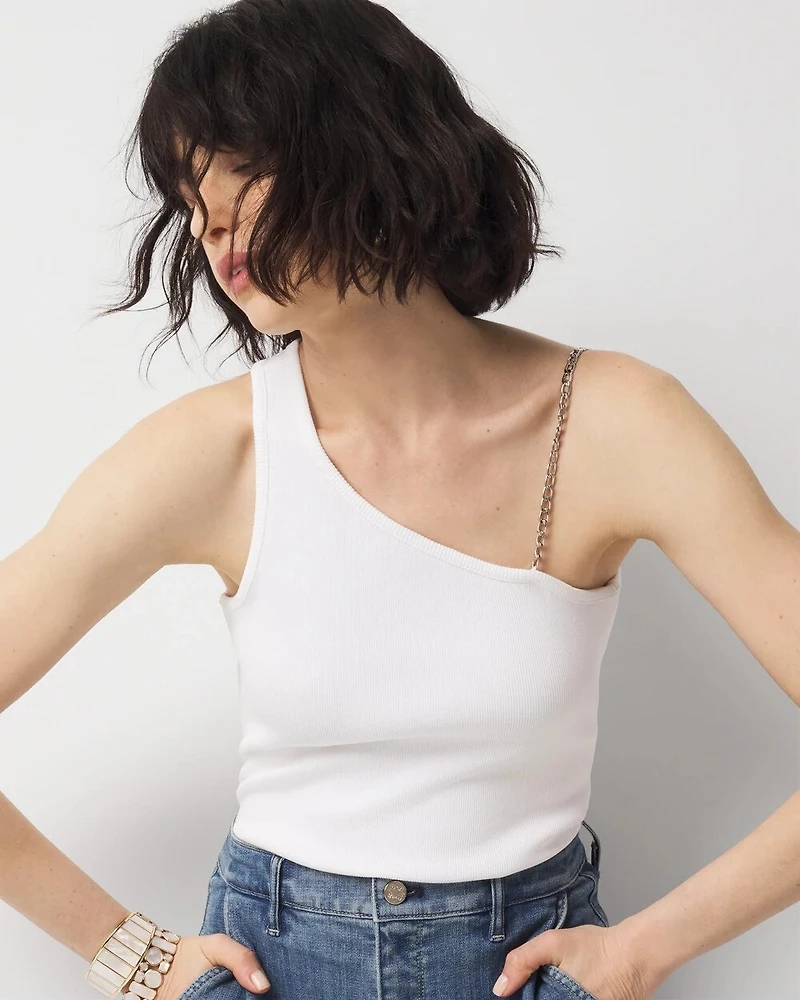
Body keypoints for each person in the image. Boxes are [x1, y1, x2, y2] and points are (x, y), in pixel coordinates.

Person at [3, 1, 799, 999]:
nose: (209, 223)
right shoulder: (215, 451)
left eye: (240, 169)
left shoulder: (613, 423)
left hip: (533, 964)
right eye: (187, 194)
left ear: (376, 142)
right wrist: (133, 956)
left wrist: (645, 949)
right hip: (266, 967)